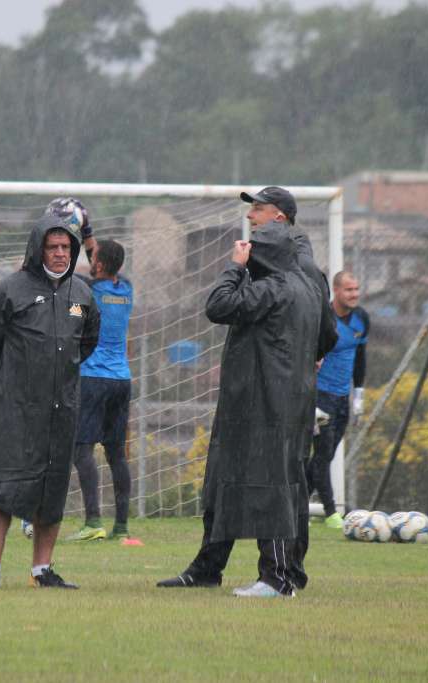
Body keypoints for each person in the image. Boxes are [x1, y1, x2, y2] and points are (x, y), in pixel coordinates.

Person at [157, 186, 320, 598]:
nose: (250, 222)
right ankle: (209, 566)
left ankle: (280, 576)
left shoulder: (290, 271)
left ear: (279, 223)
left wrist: (235, 267)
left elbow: (219, 305)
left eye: (259, 213)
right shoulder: (290, 279)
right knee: (228, 476)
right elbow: (325, 334)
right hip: (256, 392)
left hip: (271, 397)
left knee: (275, 481)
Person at [0, 206, 100, 590]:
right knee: (2, 488)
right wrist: (17, 377)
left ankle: (42, 570)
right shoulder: (10, 290)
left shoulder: (83, 295)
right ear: (37, 249)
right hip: (15, 410)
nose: (60, 253)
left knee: (53, 487)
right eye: (52, 246)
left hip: (62, 409)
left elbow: (86, 343)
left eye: (65, 247)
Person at [64, 236, 135, 542]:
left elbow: (73, 318)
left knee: (81, 450)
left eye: (93, 257)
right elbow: (100, 271)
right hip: (122, 380)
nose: (89, 261)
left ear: (101, 264)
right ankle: (121, 528)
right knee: (116, 454)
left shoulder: (86, 293)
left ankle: (93, 521)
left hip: (92, 378)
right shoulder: (126, 289)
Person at [308, 271, 369, 529]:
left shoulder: (361, 319)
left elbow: (361, 357)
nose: (354, 294)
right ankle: (332, 513)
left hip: (343, 397)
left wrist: (359, 395)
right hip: (321, 395)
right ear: (335, 291)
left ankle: (297, 505)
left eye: (356, 289)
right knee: (322, 454)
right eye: (348, 290)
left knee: (326, 455)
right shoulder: (324, 319)